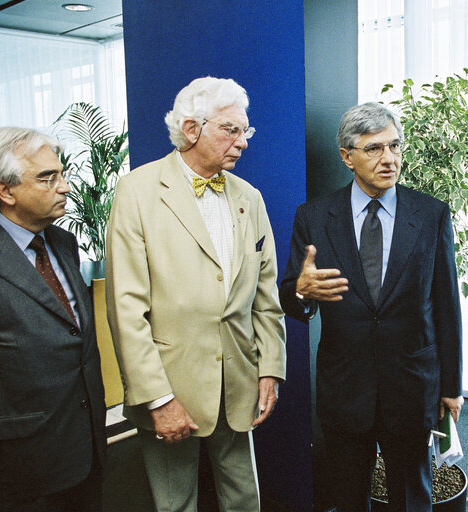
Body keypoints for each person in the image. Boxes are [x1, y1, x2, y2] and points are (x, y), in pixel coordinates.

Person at [105, 77, 286, 512]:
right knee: (175, 504)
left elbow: (265, 295)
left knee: (246, 501)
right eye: (231, 130)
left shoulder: (250, 198)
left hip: (239, 383)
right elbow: (125, 309)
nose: (242, 142)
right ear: (191, 129)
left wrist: (270, 369)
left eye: (246, 131)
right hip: (172, 387)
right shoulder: (138, 191)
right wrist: (158, 399)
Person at [280, 102, 463, 511]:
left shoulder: (430, 214)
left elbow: (447, 305)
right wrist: (301, 292)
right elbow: (293, 295)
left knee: (412, 497)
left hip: (413, 384)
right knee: (346, 496)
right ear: (347, 157)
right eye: (374, 148)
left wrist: (451, 386)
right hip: (346, 386)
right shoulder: (313, 217)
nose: (390, 158)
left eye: (395, 145)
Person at [0, 127, 106, 511]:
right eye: (47, 178)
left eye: (61, 174)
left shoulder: (64, 243)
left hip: (84, 454)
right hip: (15, 469)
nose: (65, 187)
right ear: (5, 190)